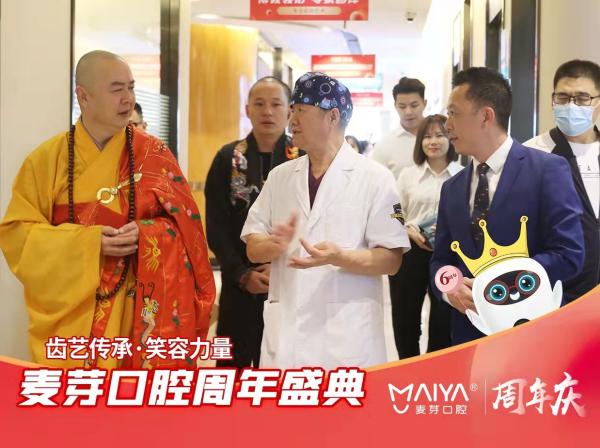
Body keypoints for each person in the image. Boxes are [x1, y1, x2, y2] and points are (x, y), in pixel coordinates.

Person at [0, 50, 215, 369]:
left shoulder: (154, 155)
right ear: (83, 96)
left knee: (135, 399)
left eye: (131, 87)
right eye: (117, 89)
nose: (128, 98)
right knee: (75, 398)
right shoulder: (46, 161)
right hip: (74, 318)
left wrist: (147, 234)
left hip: (139, 316)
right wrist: (87, 244)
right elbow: (17, 235)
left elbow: (189, 234)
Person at [241, 72, 410, 369]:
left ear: (332, 116)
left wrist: (339, 257)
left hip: (347, 334)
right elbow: (253, 247)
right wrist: (274, 245)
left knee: (342, 398)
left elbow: (391, 260)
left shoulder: (376, 178)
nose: (292, 120)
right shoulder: (280, 177)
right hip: (288, 331)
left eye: (301, 111)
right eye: (292, 110)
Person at [430, 67, 584, 345]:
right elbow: (440, 261)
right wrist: (450, 288)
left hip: (533, 332)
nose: (447, 125)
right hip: (468, 336)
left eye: (454, 113)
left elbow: (569, 254)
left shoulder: (547, 170)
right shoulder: (451, 188)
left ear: (486, 116)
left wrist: (502, 281)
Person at [205, 76, 300, 368]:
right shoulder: (227, 158)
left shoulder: (304, 159)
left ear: (290, 111)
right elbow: (216, 226)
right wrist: (242, 273)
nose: (267, 112)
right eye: (259, 104)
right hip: (238, 282)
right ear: (247, 110)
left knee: (279, 363)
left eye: (276, 104)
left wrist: (278, 267)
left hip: (287, 281)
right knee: (230, 365)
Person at [524, 59, 600, 301]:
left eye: (582, 98)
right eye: (563, 97)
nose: (571, 106)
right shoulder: (532, 154)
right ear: (552, 100)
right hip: (556, 293)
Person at [393, 114, 462, 358]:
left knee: (444, 318)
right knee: (405, 318)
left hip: (448, 255)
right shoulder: (407, 175)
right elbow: (393, 211)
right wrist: (406, 229)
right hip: (410, 251)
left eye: (440, 135)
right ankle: (407, 366)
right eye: (427, 136)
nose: (433, 141)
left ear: (451, 139)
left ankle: (434, 368)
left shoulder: (462, 174)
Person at [372, 77, 427, 178]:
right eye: (402, 106)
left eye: (414, 105)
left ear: (424, 103)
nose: (408, 112)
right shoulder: (384, 145)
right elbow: (375, 182)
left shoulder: (441, 138)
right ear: (395, 106)